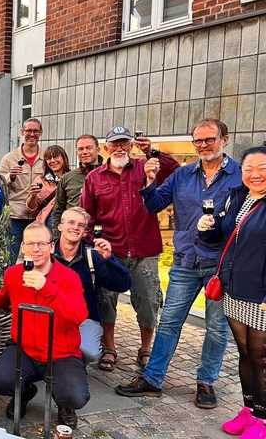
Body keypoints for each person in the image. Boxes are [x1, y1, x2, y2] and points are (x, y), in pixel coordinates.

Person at [116, 118, 240, 409]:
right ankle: (153, 379)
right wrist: (149, 181)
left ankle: (206, 382)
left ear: (225, 139)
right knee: (170, 322)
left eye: (209, 139)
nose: (203, 145)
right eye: (198, 140)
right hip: (186, 259)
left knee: (216, 328)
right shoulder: (182, 175)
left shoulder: (239, 176)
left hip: (221, 264)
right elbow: (154, 204)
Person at [0, 222, 89, 429]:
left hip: (60, 353)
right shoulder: (14, 274)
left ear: (51, 247)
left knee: (75, 396)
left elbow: (79, 315)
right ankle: (25, 392)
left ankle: (64, 403)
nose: (35, 249)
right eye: (30, 244)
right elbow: (2, 297)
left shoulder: (69, 278)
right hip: (25, 349)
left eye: (41, 243)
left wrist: (47, 288)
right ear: (22, 247)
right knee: (1, 381)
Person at [80, 126, 179, 373]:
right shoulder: (95, 177)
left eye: (124, 143)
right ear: (106, 148)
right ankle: (110, 348)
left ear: (131, 145)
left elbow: (176, 174)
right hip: (110, 251)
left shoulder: (146, 168)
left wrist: (153, 152)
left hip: (144, 249)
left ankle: (146, 349)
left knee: (147, 301)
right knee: (106, 301)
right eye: (114, 144)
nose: (120, 148)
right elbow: (86, 215)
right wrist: (94, 241)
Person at [197, 146, 266, 437]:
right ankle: (249, 410)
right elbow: (221, 236)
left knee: (262, 358)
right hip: (234, 290)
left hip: (262, 295)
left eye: (262, 167)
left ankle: (263, 419)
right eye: (248, 168)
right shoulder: (238, 197)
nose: (255, 174)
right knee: (245, 353)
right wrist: (206, 228)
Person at [53, 207, 131, 362]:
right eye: (71, 222)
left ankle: (74, 365)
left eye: (81, 225)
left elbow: (123, 285)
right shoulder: (45, 253)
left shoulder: (92, 257)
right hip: (50, 317)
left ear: (84, 232)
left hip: (84, 319)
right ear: (60, 226)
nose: (75, 227)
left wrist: (109, 259)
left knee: (90, 352)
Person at [0, 118, 45, 264]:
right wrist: (10, 177)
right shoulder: (9, 158)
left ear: (41, 133)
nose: (32, 134)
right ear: (22, 132)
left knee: (38, 258)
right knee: (10, 258)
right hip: (15, 216)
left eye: (35, 131)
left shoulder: (47, 157)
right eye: (28, 131)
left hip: (39, 217)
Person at [51, 134, 102, 233]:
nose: (85, 152)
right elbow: (58, 212)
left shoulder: (108, 175)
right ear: (76, 152)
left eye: (89, 148)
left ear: (98, 150)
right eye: (80, 149)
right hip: (74, 234)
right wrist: (58, 238)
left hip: (101, 235)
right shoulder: (67, 178)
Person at [26, 145, 70, 230]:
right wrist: (32, 196)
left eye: (56, 156)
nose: (52, 161)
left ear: (64, 157)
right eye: (49, 158)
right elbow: (31, 209)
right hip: (48, 223)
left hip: (68, 220)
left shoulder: (72, 178)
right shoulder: (41, 180)